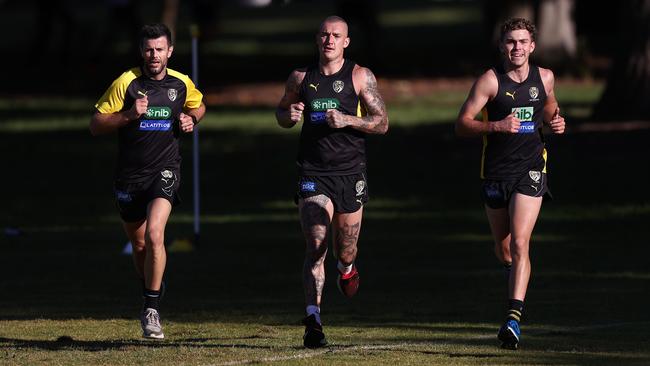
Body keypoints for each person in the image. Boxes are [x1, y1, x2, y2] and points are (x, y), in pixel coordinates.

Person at [275, 15, 388, 348]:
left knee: (346, 248)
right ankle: (314, 320)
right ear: (317, 39)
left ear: (346, 42)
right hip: (313, 173)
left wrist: (348, 119)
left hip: (351, 173)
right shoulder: (300, 78)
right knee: (316, 245)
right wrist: (288, 116)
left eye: (336, 36)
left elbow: (382, 123)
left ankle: (348, 268)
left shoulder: (359, 76)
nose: (329, 40)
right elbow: (281, 112)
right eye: (324, 35)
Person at [90, 23, 206, 339]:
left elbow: (199, 104)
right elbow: (96, 123)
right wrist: (128, 115)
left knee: (156, 235)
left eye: (159, 49)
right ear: (142, 51)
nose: (154, 55)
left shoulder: (180, 83)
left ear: (170, 51)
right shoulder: (126, 83)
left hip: (165, 171)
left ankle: (151, 308)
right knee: (139, 244)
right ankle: (152, 286)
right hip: (129, 177)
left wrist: (190, 118)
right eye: (148, 49)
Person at [456, 18, 565, 350]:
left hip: (531, 169)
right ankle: (515, 272)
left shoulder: (544, 77)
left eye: (522, 42)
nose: (516, 48)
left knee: (520, 243)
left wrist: (557, 120)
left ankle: (513, 319)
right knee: (503, 248)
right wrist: (497, 127)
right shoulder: (490, 82)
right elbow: (462, 124)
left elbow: (548, 107)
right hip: (495, 172)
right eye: (510, 42)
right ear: (502, 46)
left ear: (532, 46)